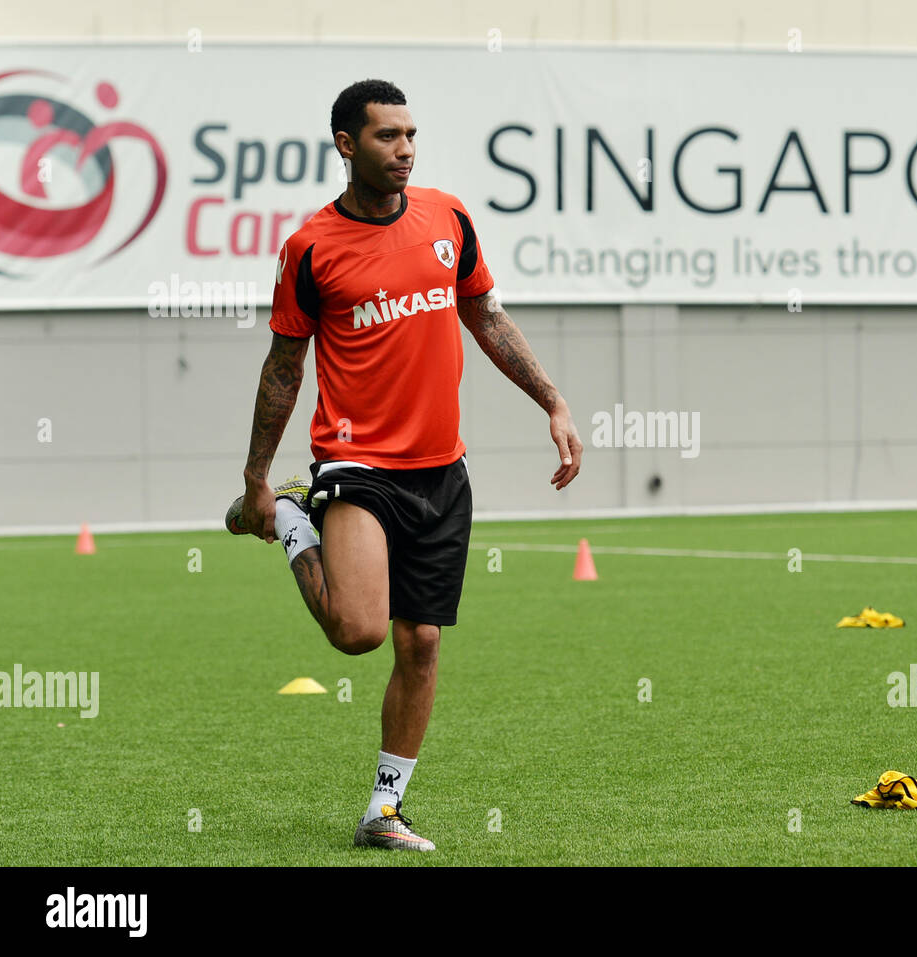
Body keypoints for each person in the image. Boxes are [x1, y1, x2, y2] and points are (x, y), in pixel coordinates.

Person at [224, 79, 583, 851]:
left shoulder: (449, 217)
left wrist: (551, 399)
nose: (406, 149)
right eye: (387, 136)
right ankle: (294, 519)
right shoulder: (311, 248)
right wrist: (259, 478)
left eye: (411, 133)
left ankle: (384, 810)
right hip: (357, 463)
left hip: (442, 470)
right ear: (347, 146)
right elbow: (284, 367)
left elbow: (484, 313)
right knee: (357, 633)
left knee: (420, 642)